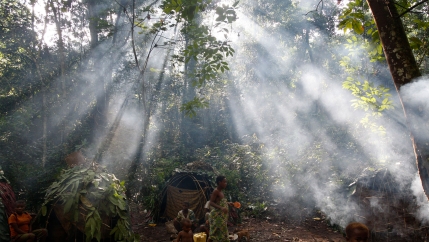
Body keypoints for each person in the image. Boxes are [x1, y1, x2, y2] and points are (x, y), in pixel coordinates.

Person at [208, 175, 233, 242]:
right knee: (213, 234)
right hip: (216, 217)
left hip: (222, 217)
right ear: (219, 182)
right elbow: (211, 202)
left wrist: (228, 203)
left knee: (221, 234)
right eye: (224, 182)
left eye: (226, 182)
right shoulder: (216, 191)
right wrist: (221, 208)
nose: (226, 183)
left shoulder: (221, 191)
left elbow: (220, 202)